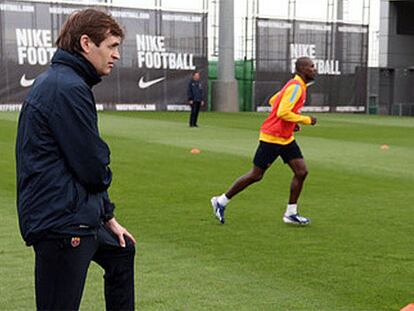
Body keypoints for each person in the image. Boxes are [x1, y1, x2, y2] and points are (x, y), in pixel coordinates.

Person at [15, 9, 136, 311]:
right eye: (111, 46)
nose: (116, 55)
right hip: (60, 224)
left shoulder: (69, 83)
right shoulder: (65, 88)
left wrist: (108, 216)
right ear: (86, 43)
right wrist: (102, 164)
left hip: (78, 214)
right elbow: (93, 166)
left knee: (122, 250)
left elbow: (85, 166)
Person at [210, 57, 317, 225]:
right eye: (311, 66)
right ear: (302, 69)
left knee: (301, 171)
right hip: (272, 138)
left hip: (285, 138)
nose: (314, 69)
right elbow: (282, 112)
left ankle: (291, 213)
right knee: (256, 175)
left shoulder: (296, 85)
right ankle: (221, 201)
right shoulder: (296, 87)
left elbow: (274, 101)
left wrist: (292, 122)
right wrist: (306, 120)